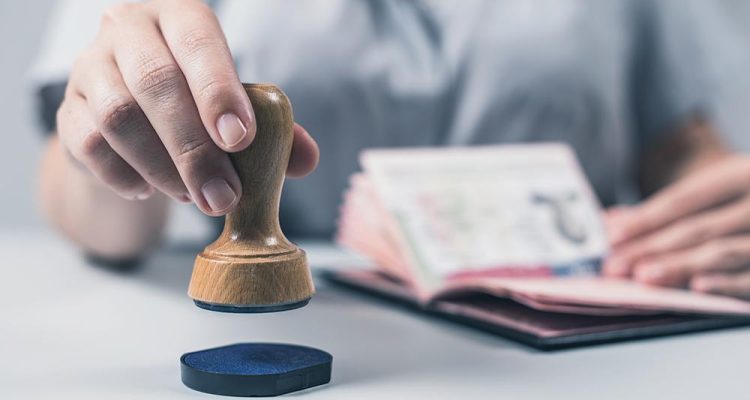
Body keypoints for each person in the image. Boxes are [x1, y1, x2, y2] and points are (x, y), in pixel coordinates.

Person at [33, 0, 750, 298]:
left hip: (587, 333)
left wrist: (720, 204)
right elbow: (94, 207)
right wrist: (107, 158)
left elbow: (681, 144)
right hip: (315, 326)